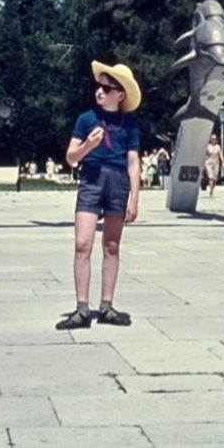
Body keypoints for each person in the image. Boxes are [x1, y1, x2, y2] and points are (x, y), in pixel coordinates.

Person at [55, 60, 141, 330]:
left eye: (107, 87)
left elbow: (133, 162)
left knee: (112, 246)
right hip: (91, 179)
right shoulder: (86, 119)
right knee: (82, 243)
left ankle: (106, 306)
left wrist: (135, 198)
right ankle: (82, 308)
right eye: (99, 86)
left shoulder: (130, 125)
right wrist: (87, 146)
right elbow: (70, 157)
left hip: (117, 183)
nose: (100, 91)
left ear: (120, 94)